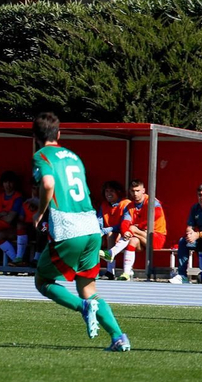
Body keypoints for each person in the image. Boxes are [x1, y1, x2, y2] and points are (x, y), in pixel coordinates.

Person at [31, 112, 130, 351]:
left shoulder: (41, 155)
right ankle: (118, 337)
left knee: (43, 280)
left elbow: (48, 184)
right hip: (90, 227)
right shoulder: (74, 157)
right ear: (59, 134)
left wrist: (40, 212)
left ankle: (82, 308)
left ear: (35, 136)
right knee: (87, 288)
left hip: (68, 227)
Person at [108, 180, 166, 280]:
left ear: (143, 190)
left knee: (132, 229)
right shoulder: (130, 206)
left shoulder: (152, 201)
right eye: (133, 191)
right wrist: (125, 232)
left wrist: (135, 227)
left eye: (138, 190)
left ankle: (112, 252)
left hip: (156, 237)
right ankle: (127, 272)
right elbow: (125, 222)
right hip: (140, 237)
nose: (135, 194)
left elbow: (155, 215)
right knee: (132, 240)